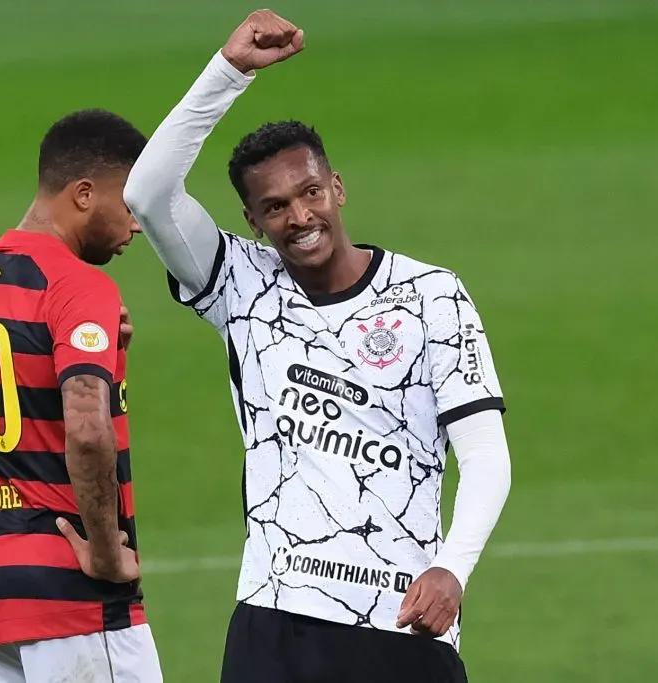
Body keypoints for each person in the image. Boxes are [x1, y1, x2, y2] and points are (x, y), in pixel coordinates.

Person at [124, 10, 513, 683]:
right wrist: (229, 71)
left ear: (337, 187)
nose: (299, 217)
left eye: (309, 192)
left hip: (400, 620)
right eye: (274, 206)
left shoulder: (432, 297)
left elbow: (485, 455)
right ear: (253, 220)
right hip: (274, 622)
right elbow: (147, 192)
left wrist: (454, 565)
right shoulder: (240, 284)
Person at [0, 109, 163, 683]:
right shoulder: (78, 284)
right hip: (71, 599)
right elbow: (87, 429)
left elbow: (24, 396)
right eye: (131, 204)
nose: (138, 225)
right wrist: (105, 551)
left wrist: (106, 360)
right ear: (85, 193)